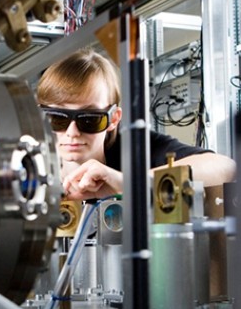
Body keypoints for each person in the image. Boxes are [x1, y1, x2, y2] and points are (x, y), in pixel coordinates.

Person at [36, 48, 236, 201]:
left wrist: (128, 184)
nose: (72, 132)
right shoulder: (28, 162)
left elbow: (225, 168)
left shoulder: (135, 148)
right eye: (57, 118)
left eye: (89, 119)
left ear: (114, 119)